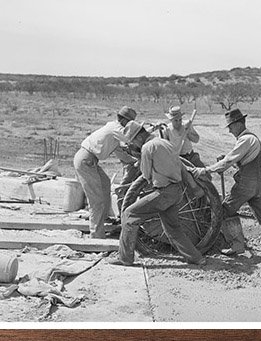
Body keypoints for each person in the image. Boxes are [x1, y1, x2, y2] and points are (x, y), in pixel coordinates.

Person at [116, 122, 207, 267]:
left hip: (163, 193)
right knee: (173, 228)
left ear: (139, 138)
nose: (134, 144)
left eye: (133, 141)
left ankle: (125, 258)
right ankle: (197, 258)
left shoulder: (147, 148)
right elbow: (180, 165)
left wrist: (139, 158)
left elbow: (145, 175)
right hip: (177, 191)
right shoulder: (165, 143)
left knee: (129, 215)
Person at [204, 108, 261, 258]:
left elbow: (229, 160)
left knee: (224, 210)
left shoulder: (245, 139)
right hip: (256, 186)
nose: (230, 131)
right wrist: (228, 162)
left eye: (230, 127)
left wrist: (208, 170)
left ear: (239, 124)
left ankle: (237, 245)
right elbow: (242, 160)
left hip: (245, 186)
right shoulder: (251, 139)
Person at [73, 105, 137, 238]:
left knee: (105, 183)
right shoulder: (116, 128)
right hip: (86, 160)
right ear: (124, 120)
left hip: (89, 159)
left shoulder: (114, 131)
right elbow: (129, 138)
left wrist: (134, 161)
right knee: (96, 199)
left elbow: (120, 152)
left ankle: (105, 218)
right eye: (130, 123)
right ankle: (96, 234)